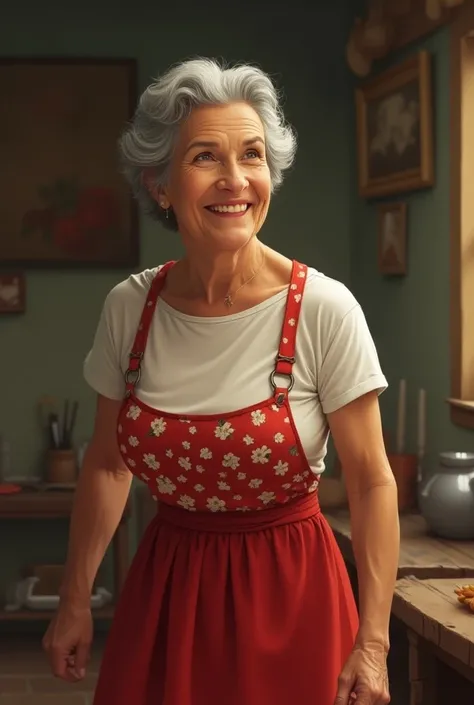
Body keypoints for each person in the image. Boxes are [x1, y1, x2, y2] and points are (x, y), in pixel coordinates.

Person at [43, 57, 400, 705]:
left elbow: (374, 480)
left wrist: (372, 643)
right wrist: (74, 599)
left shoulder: (323, 309)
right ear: (159, 182)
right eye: (206, 156)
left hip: (294, 601)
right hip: (168, 597)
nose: (236, 180)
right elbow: (106, 465)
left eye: (253, 155)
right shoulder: (131, 307)